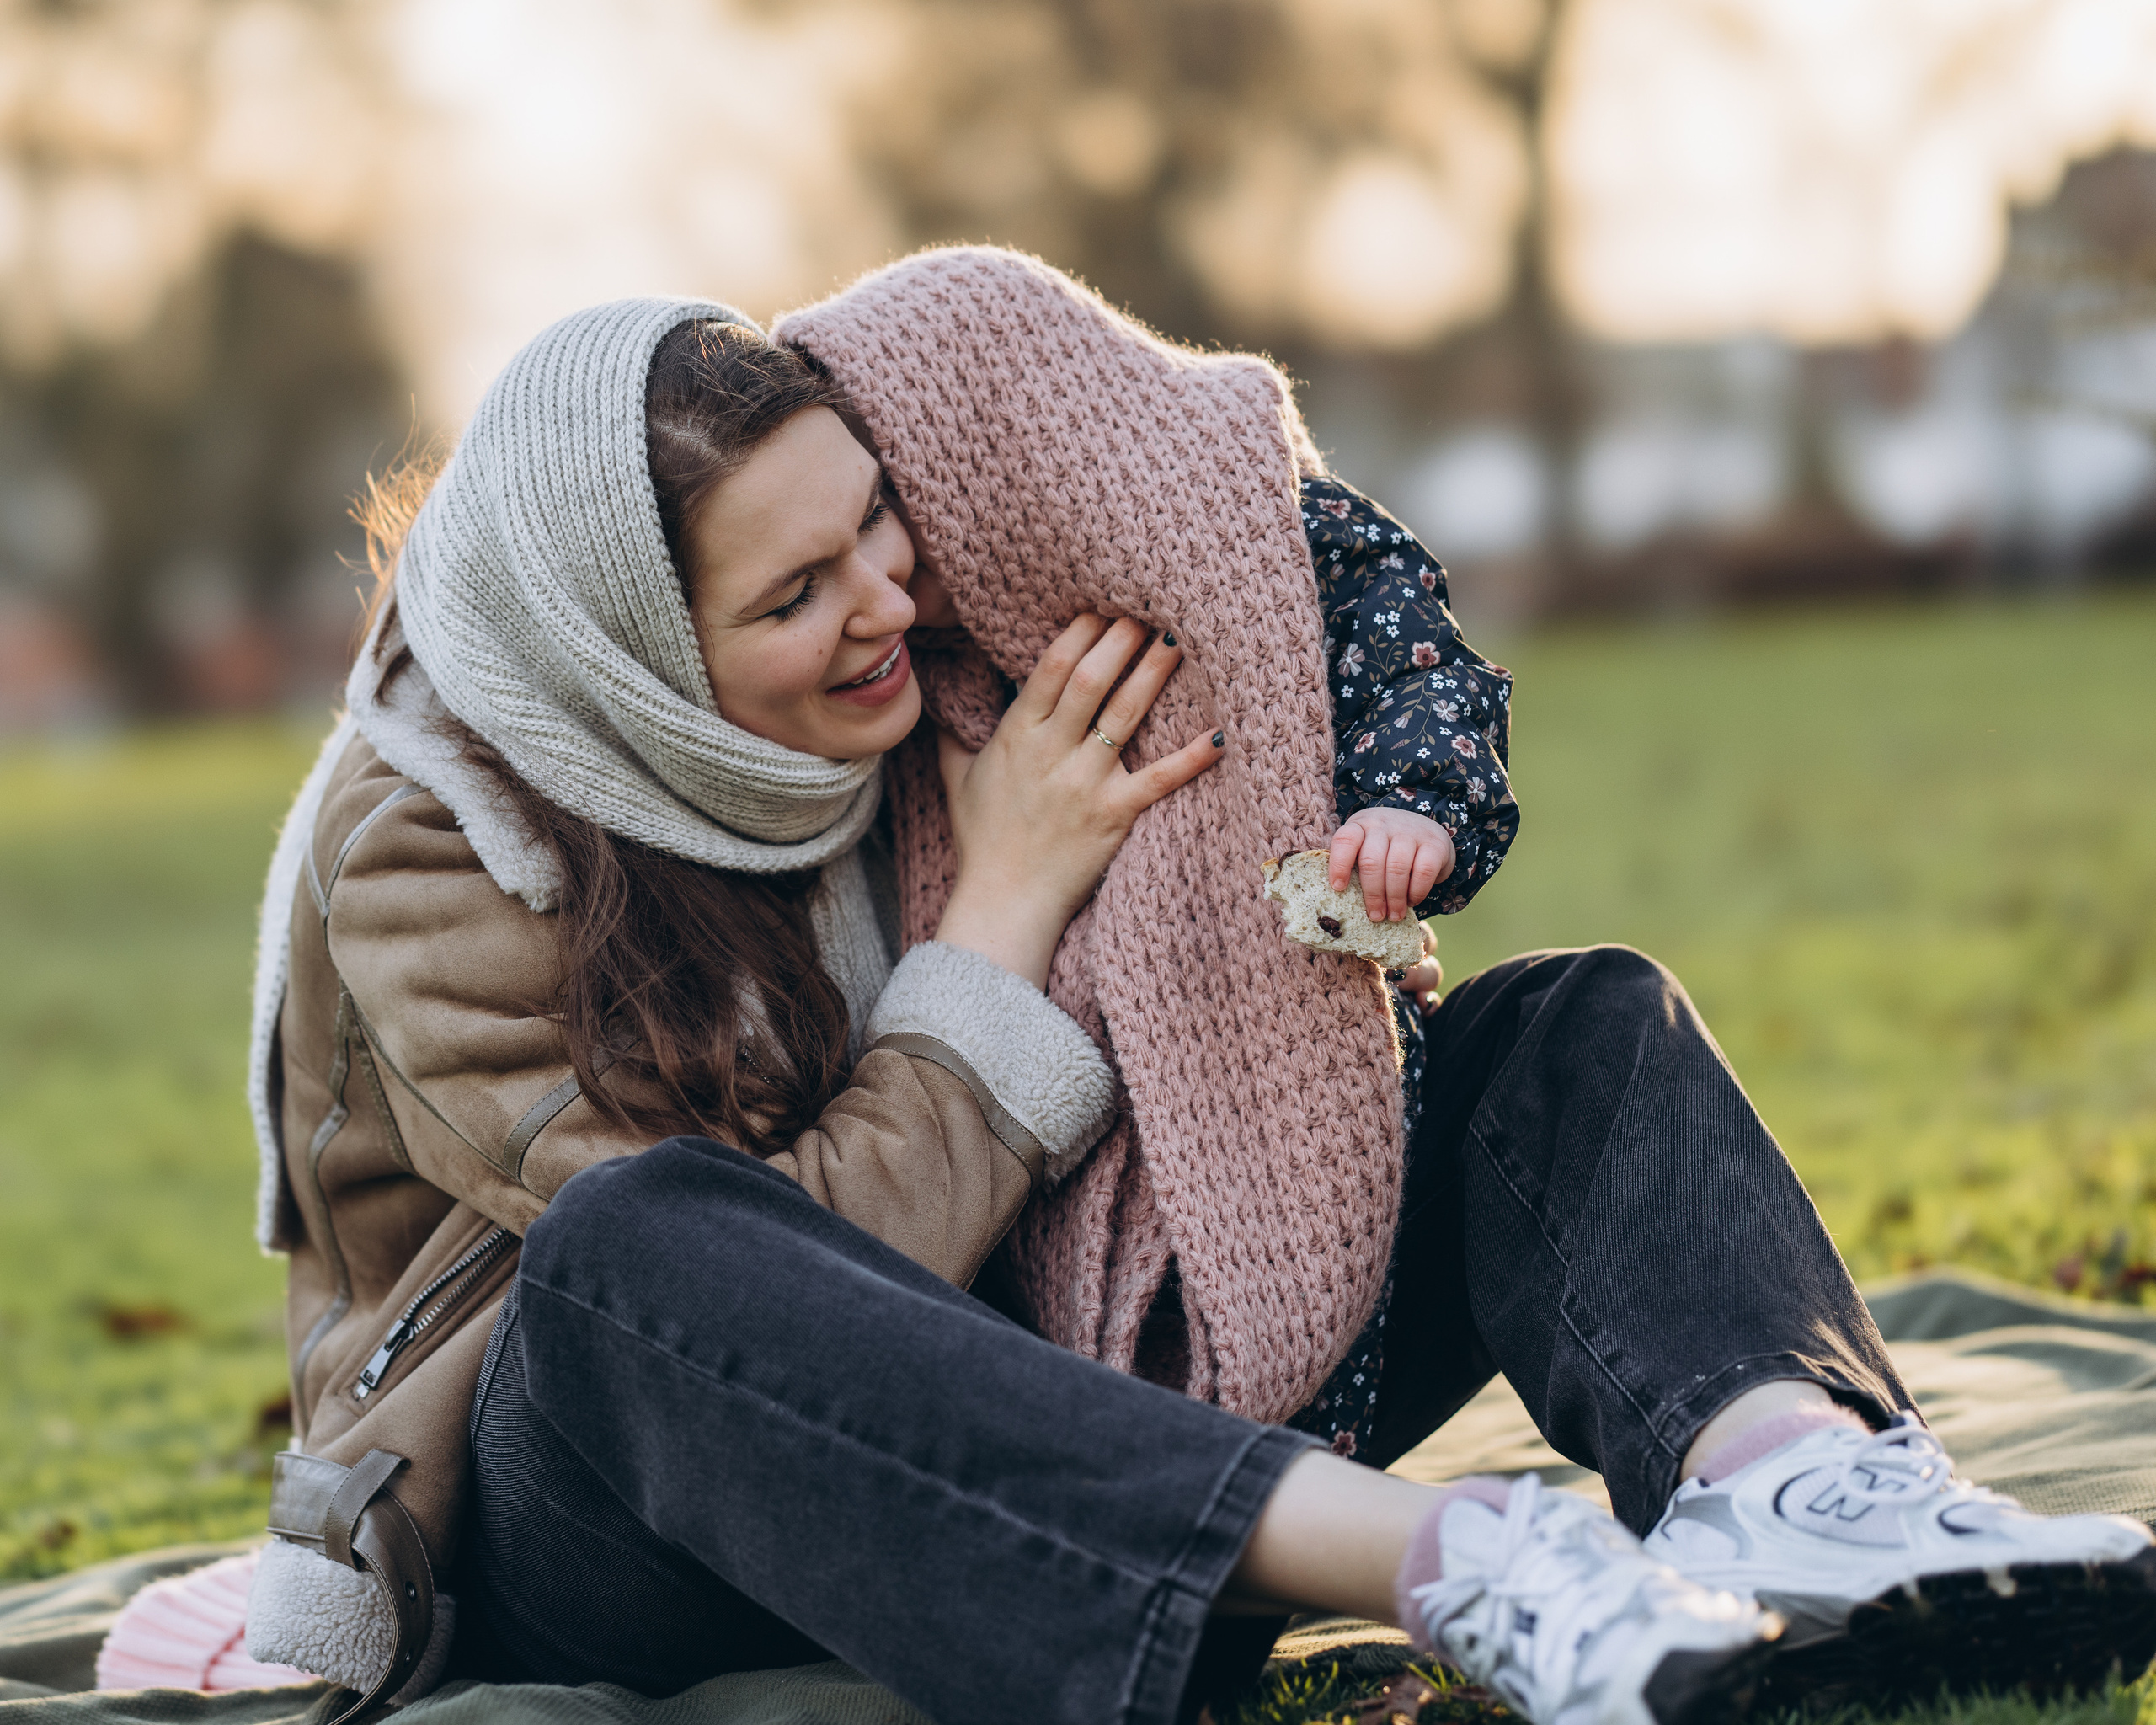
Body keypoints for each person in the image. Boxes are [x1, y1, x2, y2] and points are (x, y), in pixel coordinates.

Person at [239, 259, 2155, 1725]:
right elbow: (782, 1288)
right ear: (635, 666)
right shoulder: (435, 847)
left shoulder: (895, 677)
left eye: (870, 529)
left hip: (1039, 1390)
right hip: (617, 1498)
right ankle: (1464, 1570)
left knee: (1567, 1030)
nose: (886, 605)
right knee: (633, 1239)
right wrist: (996, 922)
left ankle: (1805, 1493)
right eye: (793, 595)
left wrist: (1279, 934)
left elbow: (1220, 560)